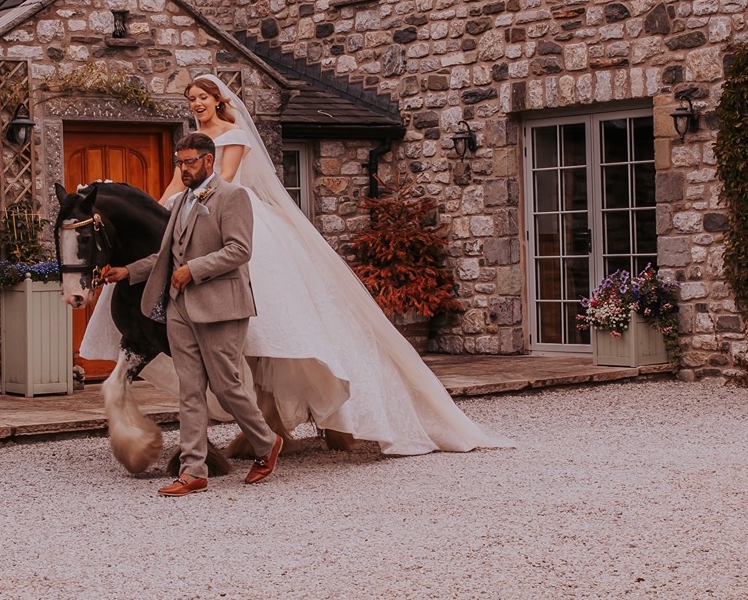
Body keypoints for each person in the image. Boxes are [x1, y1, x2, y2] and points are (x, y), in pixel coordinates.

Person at [93, 74, 509, 456]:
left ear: (218, 100)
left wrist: (197, 209)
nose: (196, 104)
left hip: (225, 209)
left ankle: (332, 416)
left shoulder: (233, 134)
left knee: (278, 321)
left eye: (202, 98)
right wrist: (163, 211)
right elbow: (174, 185)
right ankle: (255, 425)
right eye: (191, 99)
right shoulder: (190, 142)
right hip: (191, 209)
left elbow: (230, 178)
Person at [101, 132, 285, 496]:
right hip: (178, 306)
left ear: (207, 161)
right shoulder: (178, 201)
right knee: (189, 390)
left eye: (189, 162)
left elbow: (239, 250)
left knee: (225, 385)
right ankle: (193, 471)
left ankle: (267, 443)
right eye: (179, 162)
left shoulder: (234, 197)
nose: (183, 169)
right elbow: (165, 256)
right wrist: (128, 272)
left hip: (221, 306)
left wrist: (194, 269)